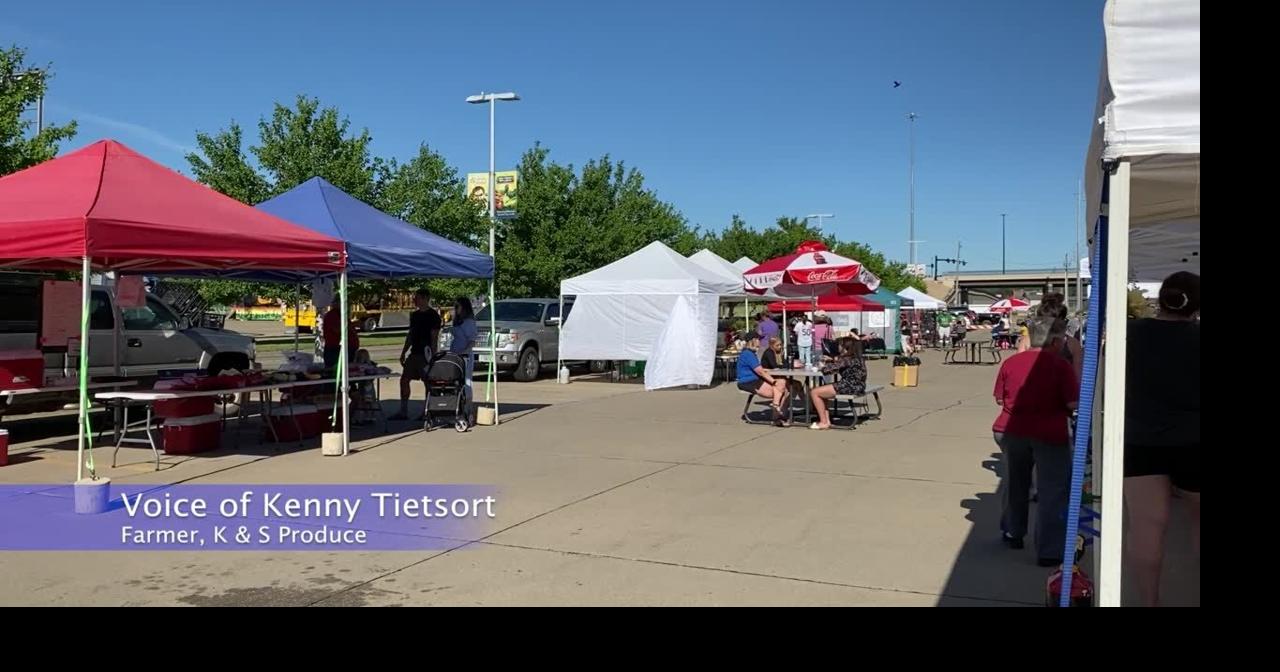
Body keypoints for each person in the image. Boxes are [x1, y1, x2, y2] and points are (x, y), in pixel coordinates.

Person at [1124, 271, 1200, 607]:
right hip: (1195, 441)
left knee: (1146, 529)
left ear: (1161, 299)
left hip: (1141, 441)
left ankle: (1149, 602)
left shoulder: (1132, 333)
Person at [991, 316, 1079, 566]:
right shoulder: (1060, 366)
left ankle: (1013, 532)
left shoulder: (1011, 363)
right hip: (1049, 432)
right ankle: (1049, 550)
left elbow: (999, 399)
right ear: (1054, 340)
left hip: (1010, 429)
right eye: (1061, 338)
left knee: (1015, 482)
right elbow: (1073, 403)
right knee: (1053, 490)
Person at [390, 288, 443, 421]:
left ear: (425, 299)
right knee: (404, 380)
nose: (415, 300)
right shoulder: (414, 315)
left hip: (426, 354)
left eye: (417, 298)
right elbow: (411, 334)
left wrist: (433, 356)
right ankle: (403, 410)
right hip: (414, 353)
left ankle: (427, 410)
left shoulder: (434, 316)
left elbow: (434, 337)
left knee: (427, 382)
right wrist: (403, 351)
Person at [807, 336, 868, 430]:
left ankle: (823, 422)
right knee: (823, 391)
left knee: (814, 392)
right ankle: (826, 420)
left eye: (840, 345)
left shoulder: (846, 359)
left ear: (845, 347)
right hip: (859, 386)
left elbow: (828, 370)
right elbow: (841, 363)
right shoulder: (857, 357)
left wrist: (822, 366)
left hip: (849, 386)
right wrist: (832, 360)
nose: (838, 347)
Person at [736, 332, 790, 426]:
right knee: (780, 388)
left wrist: (769, 371)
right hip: (748, 381)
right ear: (753, 341)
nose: (760, 342)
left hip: (755, 379)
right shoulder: (748, 354)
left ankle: (777, 413)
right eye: (758, 339)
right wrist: (773, 381)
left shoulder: (751, 353)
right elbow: (760, 371)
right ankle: (777, 413)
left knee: (784, 386)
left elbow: (758, 368)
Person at [321, 298, 359, 369]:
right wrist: (352, 325)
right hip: (335, 349)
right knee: (335, 369)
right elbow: (337, 329)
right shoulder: (332, 315)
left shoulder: (341, 315)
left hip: (346, 348)